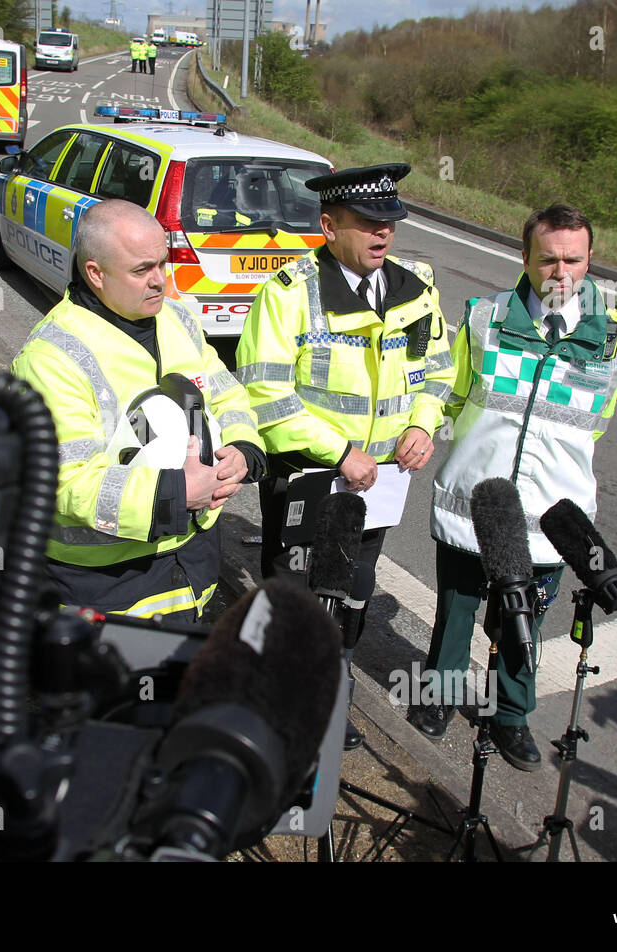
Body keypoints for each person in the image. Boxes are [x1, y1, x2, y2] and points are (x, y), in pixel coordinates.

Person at [411, 204, 617, 771]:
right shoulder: (483, 317)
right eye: (548, 260)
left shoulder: (616, 339)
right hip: (473, 502)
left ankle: (510, 715)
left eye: (574, 260)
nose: (561, 272)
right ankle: (439, 696)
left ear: (589, 260)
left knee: (524, 623)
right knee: (456, 611)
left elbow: (599, 420)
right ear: (525, 258)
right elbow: (451, 392)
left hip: (550, 519)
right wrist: (421, 431)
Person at [236, 164, 455, 749]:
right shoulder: (289, 293)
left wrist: (423, 425)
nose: (382, 234)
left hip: (378, 484)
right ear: (330, 226)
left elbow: (439, 372)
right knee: (298, 591)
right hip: (311, 477)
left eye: (390, 223)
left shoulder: (416, 290)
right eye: (367, 223)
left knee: (356, 583)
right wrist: (340, 453)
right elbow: (264, 392)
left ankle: (335, 690)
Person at [11, 200, 266, 619]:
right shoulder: (52, 358)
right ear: (95, 273)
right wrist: (177, 494)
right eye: (141, 269)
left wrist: (242, 449)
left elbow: (226, 395)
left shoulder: (178, 320)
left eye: (162, 264)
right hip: (104, 582)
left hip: (190, 559)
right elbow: (65, 482)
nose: (159, 281)